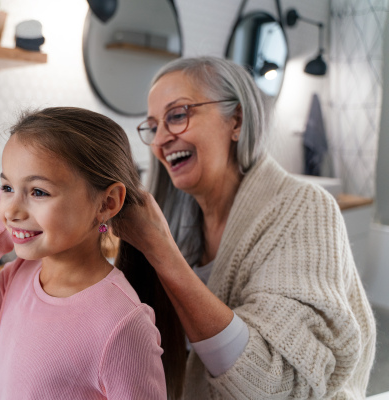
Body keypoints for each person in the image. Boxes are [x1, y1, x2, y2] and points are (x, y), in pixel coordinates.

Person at [113, 57, 376, 399]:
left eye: (177, 116)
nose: (161, 139)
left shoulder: (305, 209)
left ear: (236, 120)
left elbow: (277, 384)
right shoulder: (184, 221)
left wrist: (161, 251)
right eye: (153, 126)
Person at [0, 107, 167, 399]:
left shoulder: (122, 325)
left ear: (107, 203)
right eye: (7, 187)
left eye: (38, 192)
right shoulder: (18, 276)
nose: (11, 210)